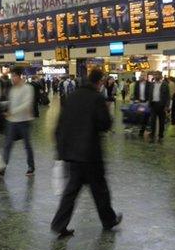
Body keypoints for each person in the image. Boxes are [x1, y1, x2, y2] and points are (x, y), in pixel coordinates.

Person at [51, 69, 122, 238]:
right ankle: (109, 220)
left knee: (71, 192)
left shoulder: (72, 97)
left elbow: (60, 124)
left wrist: (61, 150)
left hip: (73, 154)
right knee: (100, 190)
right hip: (90, 153)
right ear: (100, 82)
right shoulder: (97, 98)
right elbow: (105, 124)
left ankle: (59, 224)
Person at [2, 67, 36, 176]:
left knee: (27, 145)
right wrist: (1, 105)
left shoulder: (28, 88)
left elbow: (27, 104)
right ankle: (3, 166)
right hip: (12, 121)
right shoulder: (13, 89)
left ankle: (31, 166)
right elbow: (11, 103)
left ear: (19, 76)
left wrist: (12, 111)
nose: (12, 78)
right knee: (7, 144)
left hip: (24, 121)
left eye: (14, 76)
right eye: (12, 76)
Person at [149, 72, 170, 141]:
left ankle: (160, 136)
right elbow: (150, 94)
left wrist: (167, 106)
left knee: (161, 122)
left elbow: (168, 96)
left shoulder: (165, 84)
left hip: (162, 106)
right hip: (153, 105)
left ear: (161, 76)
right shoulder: (152, 84)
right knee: (152, 121)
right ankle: (152, 135)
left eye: (158, 75)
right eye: (155, 75)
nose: (156, 76)